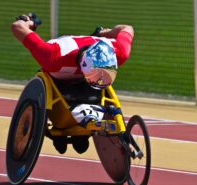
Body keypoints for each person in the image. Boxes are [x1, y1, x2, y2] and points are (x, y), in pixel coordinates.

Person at [11, 13, 134, 154]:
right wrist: (28, 23)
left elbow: (127, 28)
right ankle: (64, 126)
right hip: (57, 79)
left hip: (86, 74)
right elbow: (17, 26)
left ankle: (79, 127)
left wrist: (104, 33)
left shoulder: (119, 53)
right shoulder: (52, 56)